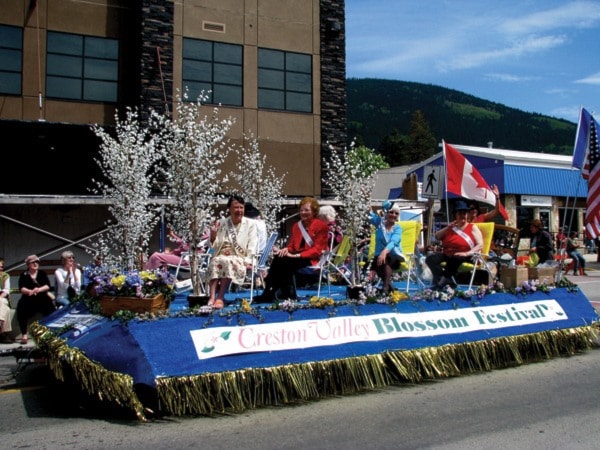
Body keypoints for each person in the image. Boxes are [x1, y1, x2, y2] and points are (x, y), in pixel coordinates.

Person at [253, 197, 329, 302]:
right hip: (295, 257)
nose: (303, 212)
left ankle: (278, 292)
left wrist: (297, 255)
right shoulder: (296, 226)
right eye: (301, 210)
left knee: (286, 261)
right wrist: (285, 250)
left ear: (314, 211)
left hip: (312, 258)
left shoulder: (321, 226)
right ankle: (272, 291)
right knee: (279, 257)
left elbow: (317, 250)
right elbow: (292, 246)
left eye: (306, 210)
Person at [207, 195, 258, 308]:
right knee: (215, 260)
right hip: (221, 254)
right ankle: (212, 297)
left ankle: (220, 297)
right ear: (229, 209)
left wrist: (249, 260)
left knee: (227, 262)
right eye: (236, 207)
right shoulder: (222, 222)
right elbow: (213, 246)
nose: (239, 210)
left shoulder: (250, 224)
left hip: (239, 257)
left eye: (241, 207)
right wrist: (213, 235)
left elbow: (253, 244)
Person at [426, 200, 484, 289]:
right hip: (448, 254)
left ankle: (443, 280)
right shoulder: (451, 228)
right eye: (460, 213)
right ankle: (446, 279)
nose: (462, 215)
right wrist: (448, 227)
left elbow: (480, 245)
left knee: (455, 258)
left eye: (464, 213)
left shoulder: (472, 227)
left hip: (467, 255)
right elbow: (437, 236)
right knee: (430, 259)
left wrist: (466, 253)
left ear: (467, 215)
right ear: (455, 215)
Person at [16, 255, 56, 344]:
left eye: (37, 262)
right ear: (28, 264)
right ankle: (24, 334)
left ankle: (52, 333)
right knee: (21, 309)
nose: (35, 264)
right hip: (28, 298)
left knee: (51, 310)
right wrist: (30, 291)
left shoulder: (42, 273)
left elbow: (47, 286)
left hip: (42, 297)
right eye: (33, 262)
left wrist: (38, 290)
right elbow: (21, 288)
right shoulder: (24, 275)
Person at [369, 202, 404, 294]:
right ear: (386, 213)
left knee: (385, 260)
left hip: (394, 256)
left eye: (396, 213)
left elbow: (394, 242)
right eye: (391, 212)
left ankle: (384, 289)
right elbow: (368, 213)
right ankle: (390, 287)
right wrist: (366, 197)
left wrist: (384, 252)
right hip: (379, 256)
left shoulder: (398, 228)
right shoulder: (379, 224)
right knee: (375, 263)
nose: (393, 215)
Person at [0, 257, 13, 343]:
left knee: (1, 302)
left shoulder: (5, 275)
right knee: (7, 309)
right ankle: (4, 334)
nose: (0, 269)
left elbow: (6, 290)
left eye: (1, 267)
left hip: (2, 297)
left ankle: (0, 323)